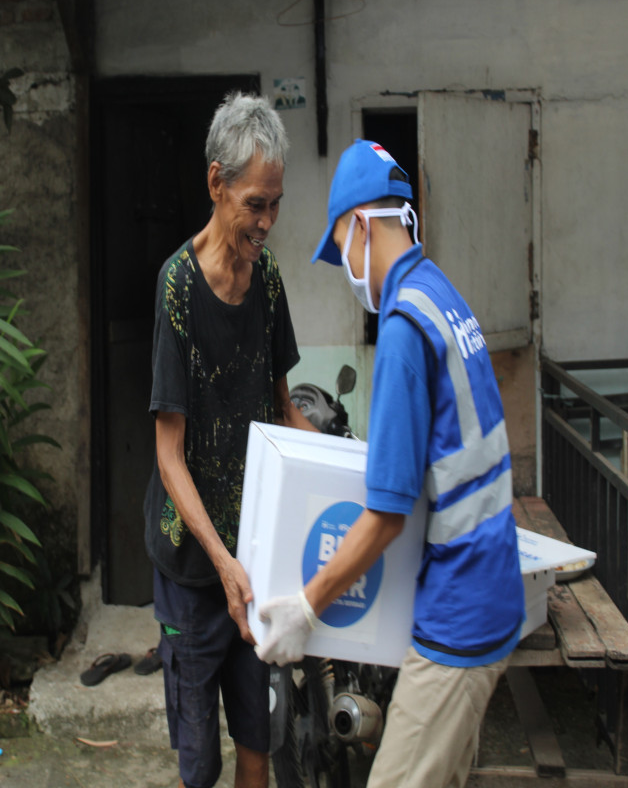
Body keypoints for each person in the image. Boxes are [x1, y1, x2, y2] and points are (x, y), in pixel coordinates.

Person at [257, 139, 525, 788]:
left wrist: (306, 607)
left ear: (360, 226)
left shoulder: (405, 326)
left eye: (341, 247)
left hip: (460, 614)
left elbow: (385, 516)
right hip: (491, 589)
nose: (346, 268)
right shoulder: (442, 296)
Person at [143, 92, 315, 788]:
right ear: (217, 185)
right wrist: (222, 563)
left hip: (257, 556)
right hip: (193, 569)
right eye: (255, 204)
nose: (268, 222)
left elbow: (282, 412)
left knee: (258, 743)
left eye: (275, 204)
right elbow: (168, 453)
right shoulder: (177, 289)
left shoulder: (267, 279)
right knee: (200, 766)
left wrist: (353, 473)